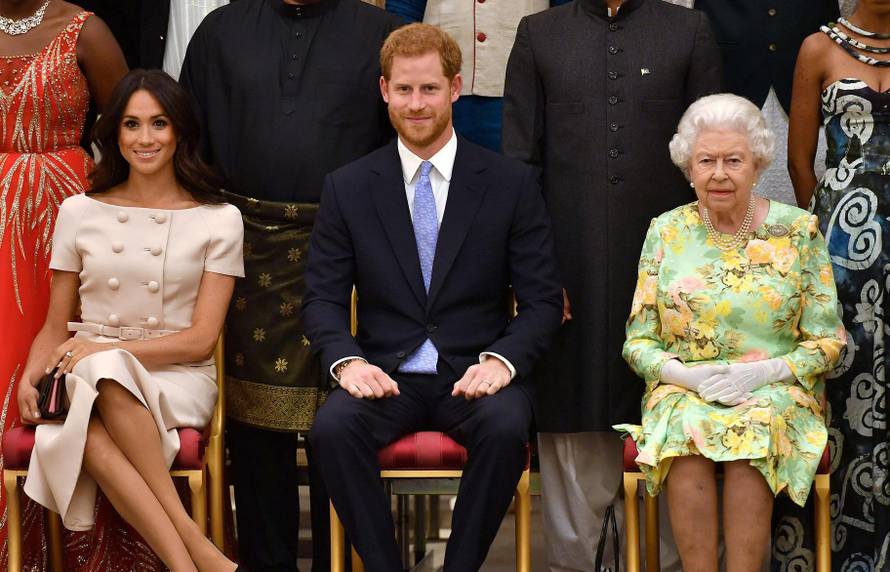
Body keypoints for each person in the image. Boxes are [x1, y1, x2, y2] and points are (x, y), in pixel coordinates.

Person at [304, 23, 563, 571]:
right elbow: (323, 299)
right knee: (330, 427)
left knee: (507, 425)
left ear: (456, 88)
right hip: (385, 376)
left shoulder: (510, 183)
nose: (416, 104)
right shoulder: (347, 187)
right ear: (383, 91)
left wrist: (503, 360)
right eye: (404, 90)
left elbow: (542, 301)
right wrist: (346, 361)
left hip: (474, 374)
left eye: (429, 89)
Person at [500, 0, 722, 569]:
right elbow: (520, 165)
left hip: (673, 274)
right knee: (573, 408)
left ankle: (669, 560)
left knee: (674, 412)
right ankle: (576, 561)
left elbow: (711, 155)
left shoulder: (687, 30)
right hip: (567, 267)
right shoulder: (539, 34)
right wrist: (538, 275)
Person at [179, 2, 402, 568]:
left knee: (343, 422)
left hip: (347, 252)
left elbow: (400, 149)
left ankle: (341, 563)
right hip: (245, 252)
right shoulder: (221, 29)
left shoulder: (380, 33)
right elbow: (190, 142)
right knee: (253, 435)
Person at [17, 69, 245, 572]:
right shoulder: (78, 211)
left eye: (159, 124)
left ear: (180, 131)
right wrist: (28, 378)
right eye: (132, 124)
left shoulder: (219, 218)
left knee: (97, 388)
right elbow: (56, 327)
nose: (145, 139)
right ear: (114, 134)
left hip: (176, 376)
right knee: (91, 395)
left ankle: (193, 556)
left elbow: (201, 341)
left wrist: (103, 353)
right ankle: (193, 557)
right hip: (87, 369)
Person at [614, 93, 845, 571]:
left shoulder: (798, 231)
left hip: (776, 390)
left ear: (757, 164)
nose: (719, 173)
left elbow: (828, 341)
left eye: (733, 160)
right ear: (688, 168)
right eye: (707, 161)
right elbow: (638, 341)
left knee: (753, 431)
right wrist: (687, 378)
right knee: (685, 429)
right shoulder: (666, 231)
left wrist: (766, 373)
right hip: (685, 389)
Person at [0, 0, 127, 566]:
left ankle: (84, 552)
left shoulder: (86, 30)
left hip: (67, 218)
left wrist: (86, 178)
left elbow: (131, 119)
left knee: (59, 360)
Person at [780, 1, 890, 568]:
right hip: (844, 248)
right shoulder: (817, 48)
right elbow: (801, 161)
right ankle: (835, 550)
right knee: (844, 382)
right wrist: (823, 242)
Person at [384, 0, 570, 151]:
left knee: (515, 182)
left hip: (528, 89)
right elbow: (403, 11)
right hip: (437, 91)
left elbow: (567, 14)